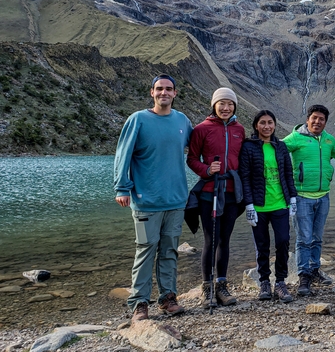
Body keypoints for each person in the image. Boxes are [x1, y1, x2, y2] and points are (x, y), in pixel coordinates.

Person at [114, 74, 193, 321]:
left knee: (169, 251)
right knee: (145, 251)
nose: (164, 93)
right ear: (152, 92)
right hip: (146, 200)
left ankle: (168, 298)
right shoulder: (138, 119)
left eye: (169, 89)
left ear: (175, 93)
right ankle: (139, 303)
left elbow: (199, 146)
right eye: (159, 89)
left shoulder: (182, 120)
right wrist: (122, 187)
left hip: (176, 200)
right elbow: (122, 155)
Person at [187, 87, 246, 307]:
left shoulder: (239, 129)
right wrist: (207, 170)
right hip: (209, 192)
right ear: (214, 105)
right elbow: (192, 159)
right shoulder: (202, 129)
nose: (226, 107)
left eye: (230, 104)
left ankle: (221, 285)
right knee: (211, 239)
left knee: (225, 240)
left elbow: (242, 158)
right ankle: (206, 287)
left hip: (231, 192)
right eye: (222, 103)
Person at [283, 104, 335, 296]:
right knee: (304, 239)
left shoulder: (328, 140)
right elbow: (278, 150)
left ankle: (315, 270)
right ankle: (303, 276)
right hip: (301, 197)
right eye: (314, 118)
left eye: (321, 119)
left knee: (317, 238)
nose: (317, 122)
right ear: (307, 119)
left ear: (326, 122)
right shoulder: (296, 137)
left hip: (323, 196)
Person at [239, 110, 298, 303]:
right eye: (263, 123)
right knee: (262, 245)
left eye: (270, 122)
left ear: (274, 124)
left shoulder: (280, 147)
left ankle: (280, 281)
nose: (267, 126)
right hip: (259, 206)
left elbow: (288, 173)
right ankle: (264, 281)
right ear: (256, 125)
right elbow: (245, 178)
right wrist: (248, 205)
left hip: (280, 203)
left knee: (283, 242)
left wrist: (293, 198)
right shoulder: (248, 147)